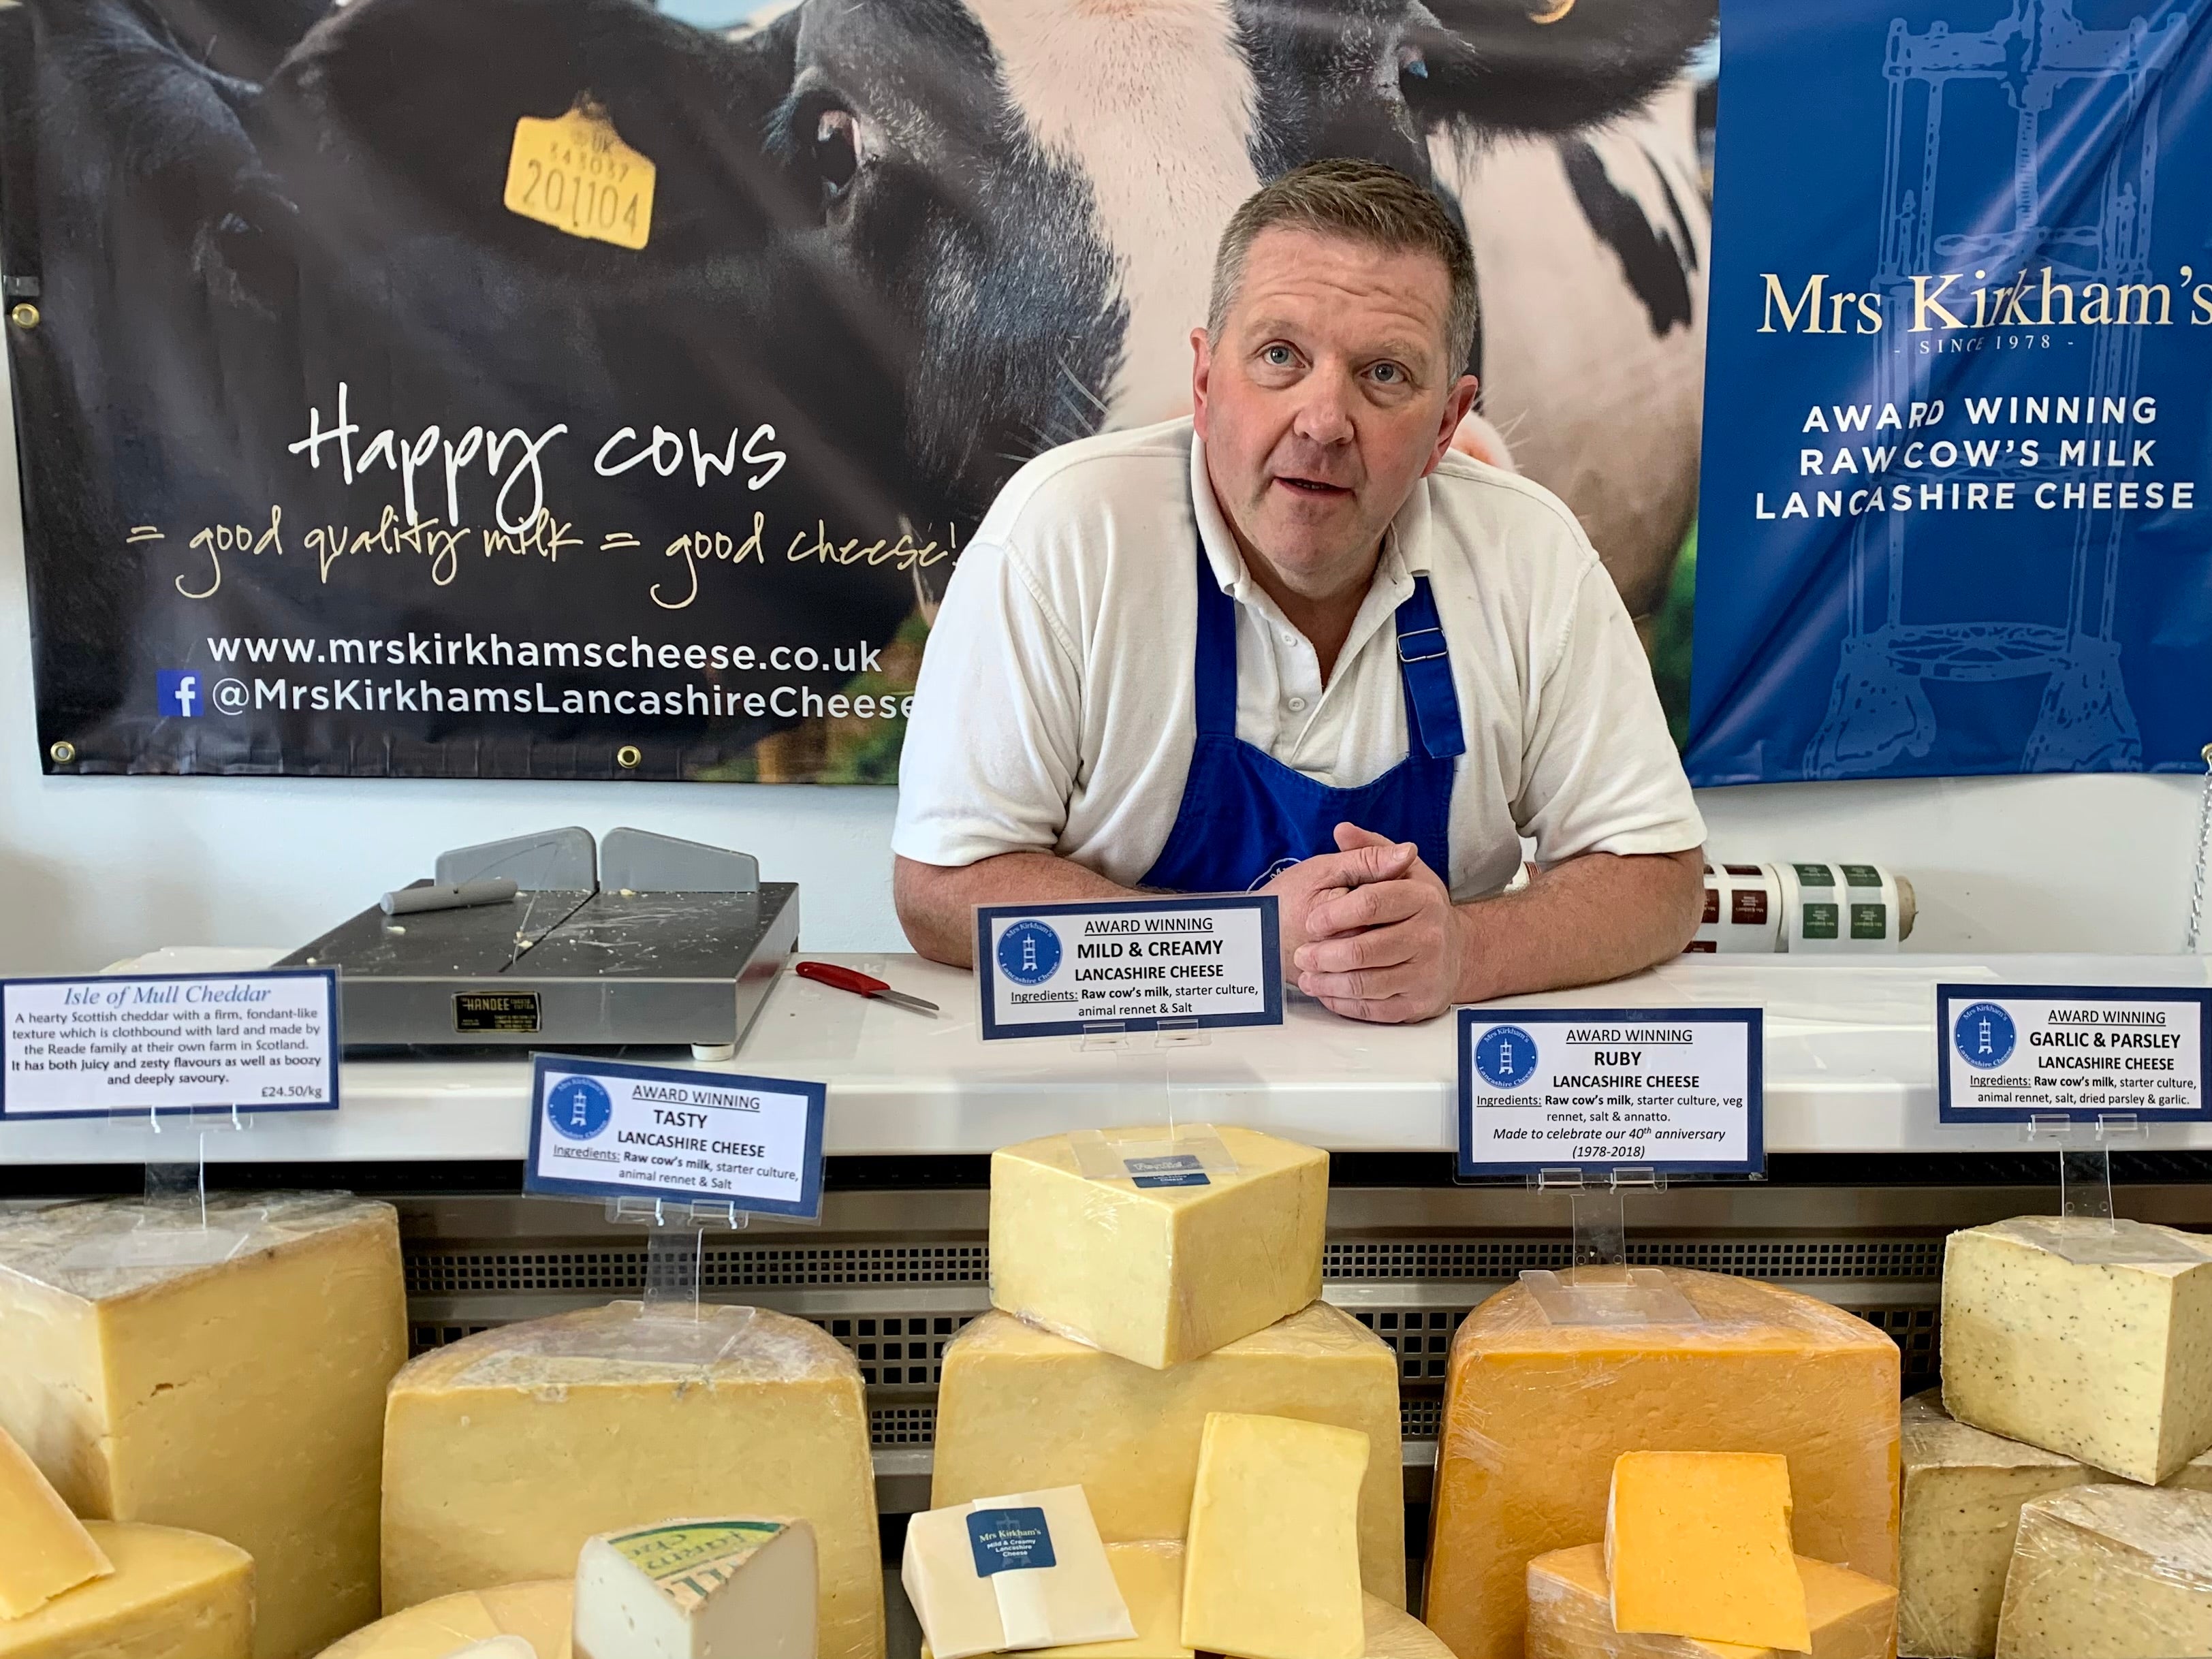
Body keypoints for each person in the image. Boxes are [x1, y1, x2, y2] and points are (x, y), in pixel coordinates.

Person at [890, 157, 1706, 1023]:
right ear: (1205, 383)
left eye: (1384, 373)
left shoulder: (1529, 553)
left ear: (1445, 425)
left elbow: (1657, 878)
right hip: (1110, 1091)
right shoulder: (1063, 534)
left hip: (1413, 1114)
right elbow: (942, 888)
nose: (1322, 423)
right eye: (1280, 356)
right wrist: (1231, 950)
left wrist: (1467, 952)